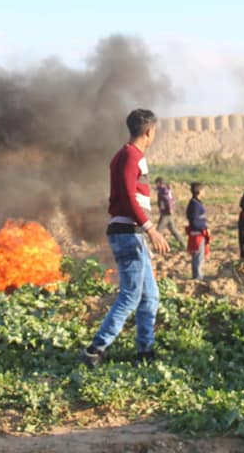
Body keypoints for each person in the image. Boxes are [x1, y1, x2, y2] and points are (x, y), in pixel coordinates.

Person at [81, 109, 170, 367]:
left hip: (132, 233)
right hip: (129, 233)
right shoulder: (131, 156)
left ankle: (145, 352)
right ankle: (95, 349)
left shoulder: (126, 155)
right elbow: (129, 197)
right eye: (155, 131)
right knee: (131, 295)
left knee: (150, 296)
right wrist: (151, 228)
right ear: (149, 131)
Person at [185, 182, 210, 280]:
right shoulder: (194, 205)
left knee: (199, 256)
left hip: (200, 233)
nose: (204, 192)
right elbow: (194, 221)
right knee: (198, 256)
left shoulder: (197, 203)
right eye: (203, 190)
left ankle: (198, 275)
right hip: (197, 235)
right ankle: (197, 277)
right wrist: (204, 228)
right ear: (199, 191)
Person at [154, 177, 184, 249]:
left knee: (158, 231)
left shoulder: (163, 190)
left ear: (158, 183)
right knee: (173, 230)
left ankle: (156, 247)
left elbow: (168, 200)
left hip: (166, 213)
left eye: (156, 184)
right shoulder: (166, 189)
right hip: (167, 213)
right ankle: (182, 244)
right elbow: (171, 199)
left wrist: (169, 210)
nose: (156, 185)